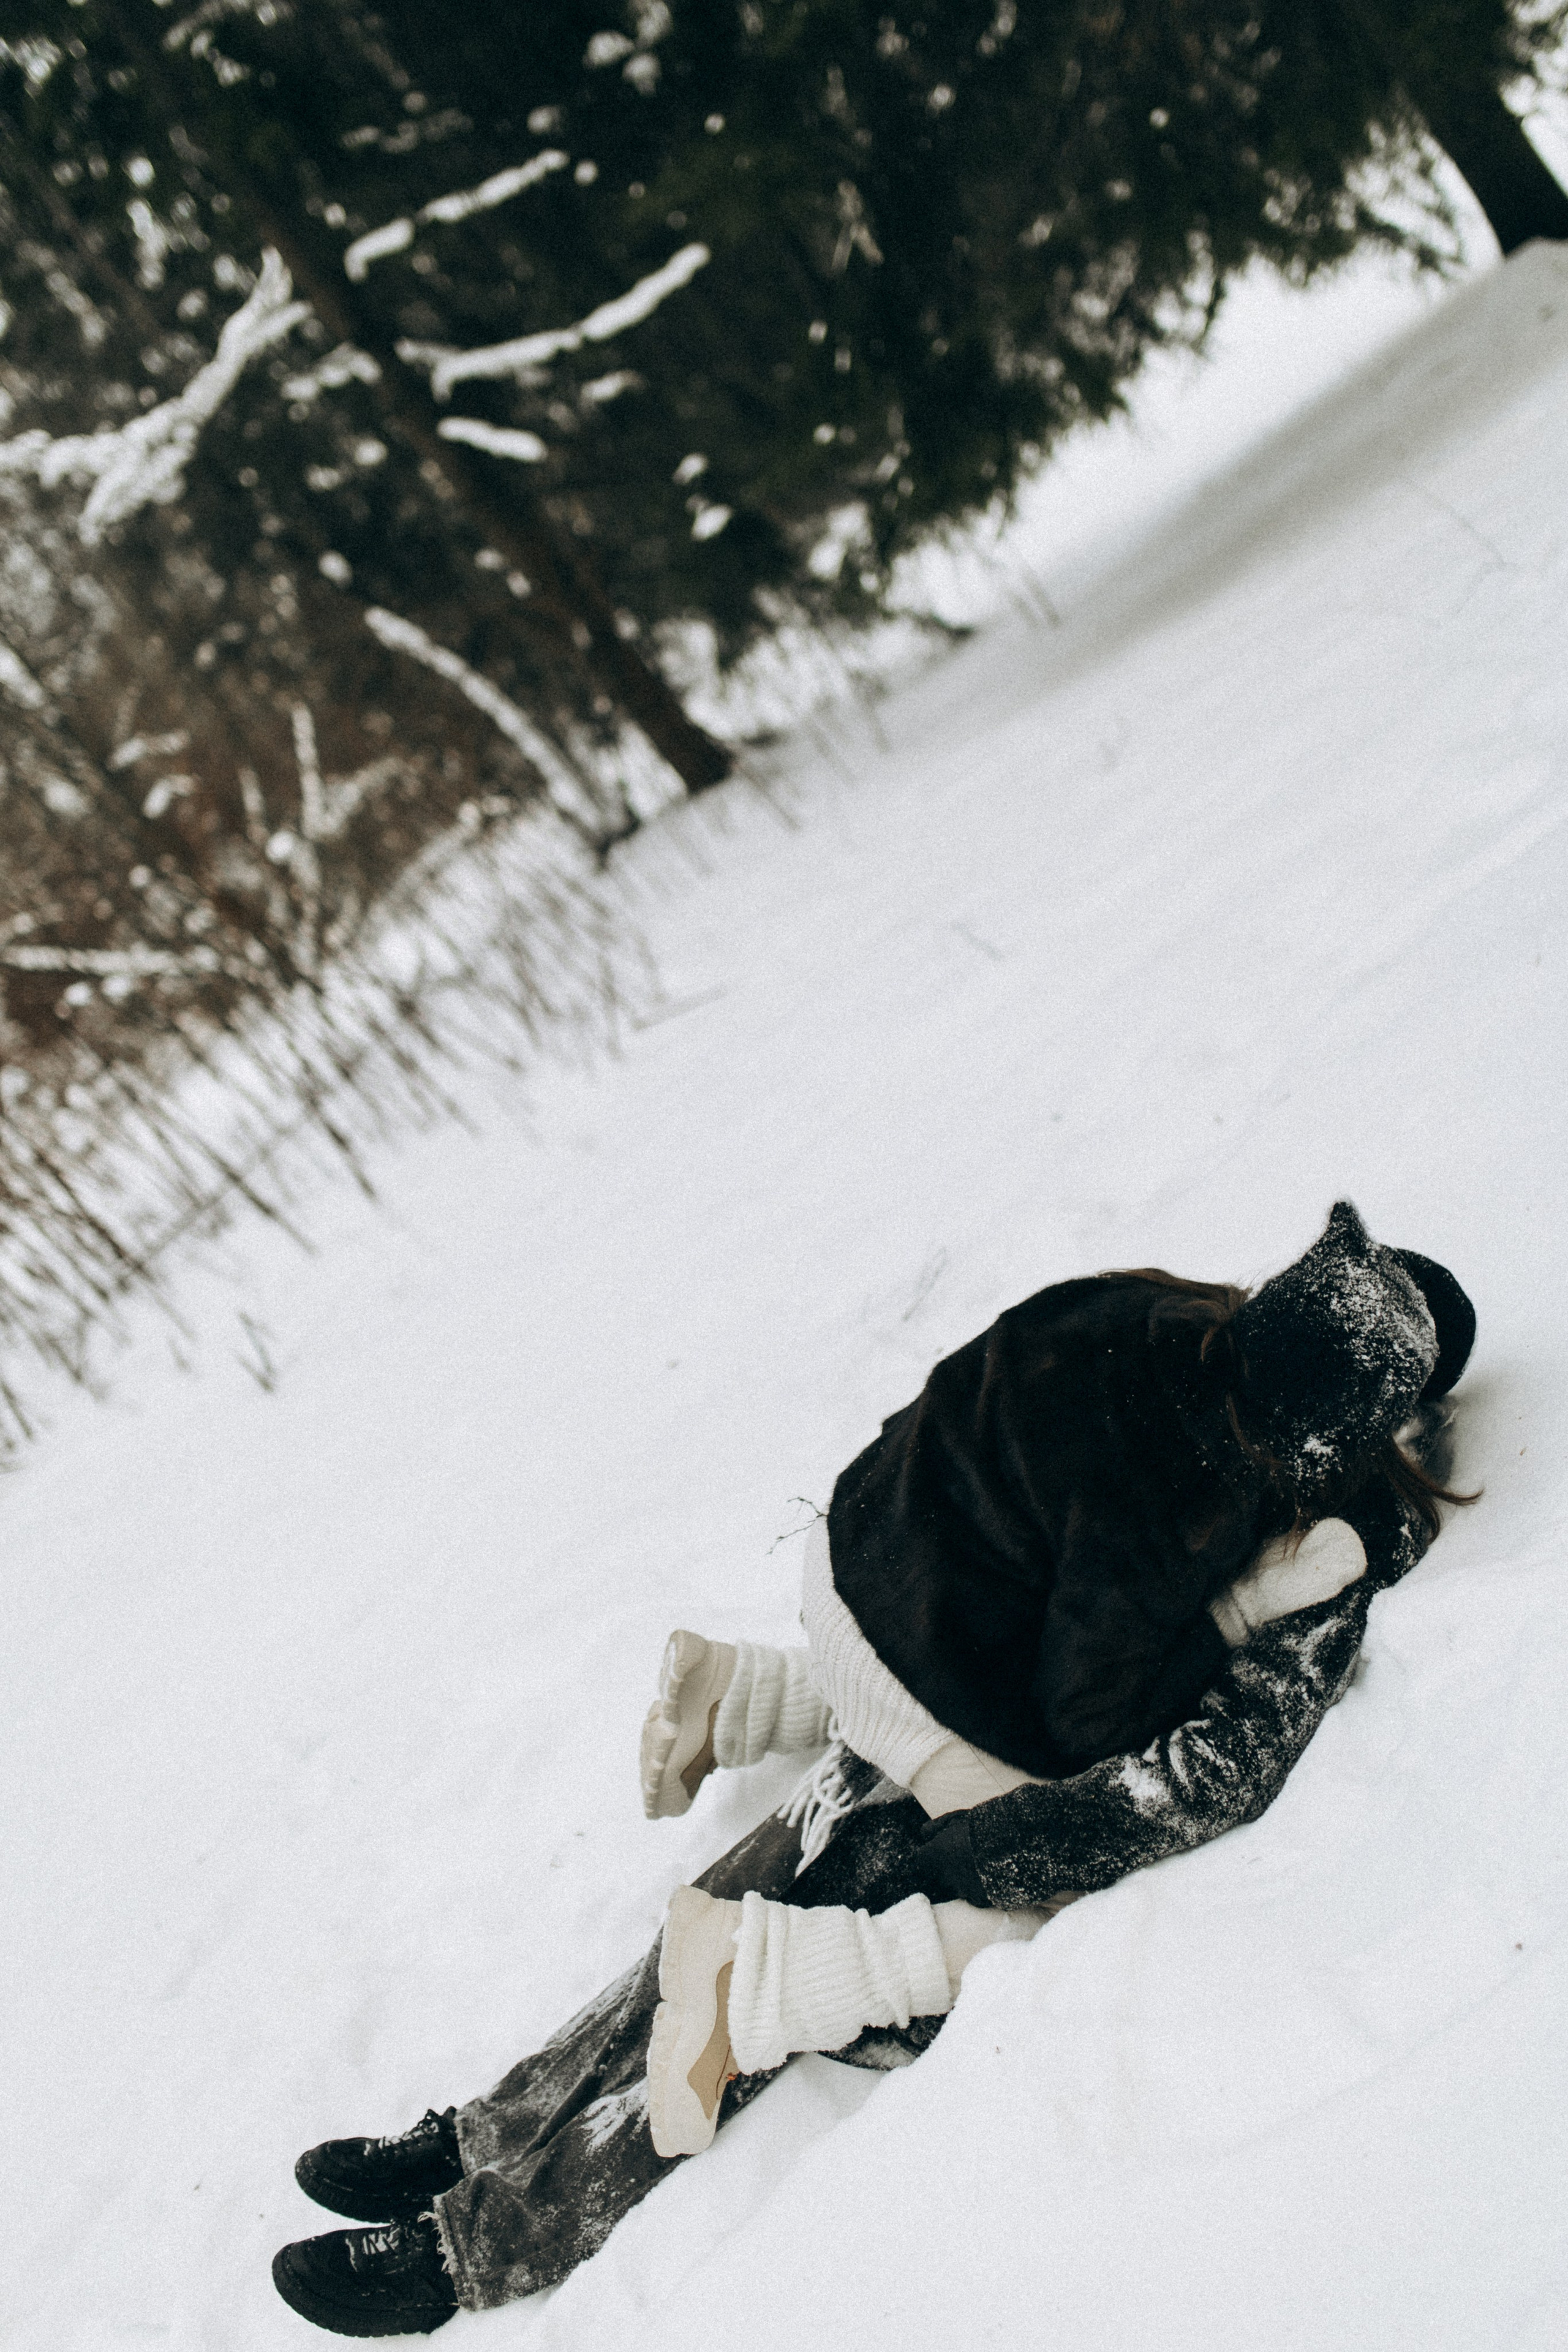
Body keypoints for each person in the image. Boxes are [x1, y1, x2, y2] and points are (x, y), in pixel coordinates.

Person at [271, 1202, 1476, 2337]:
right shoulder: (1246, 1493)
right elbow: (1143, 1744)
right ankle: (484, 2222)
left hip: (897, 1632)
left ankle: (482, 2171)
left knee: (783, 1887)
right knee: (775, 1963)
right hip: (1001, 1730)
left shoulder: (1158, 1321)